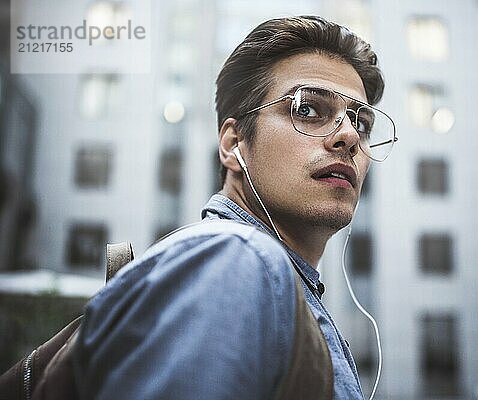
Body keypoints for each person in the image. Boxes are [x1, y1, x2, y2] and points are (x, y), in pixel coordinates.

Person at [73, 15, 395, 399]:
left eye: (362, 124)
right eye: (308, 109)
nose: (348, 136)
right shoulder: (237, 258)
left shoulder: (273, 283)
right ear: (233, 143)